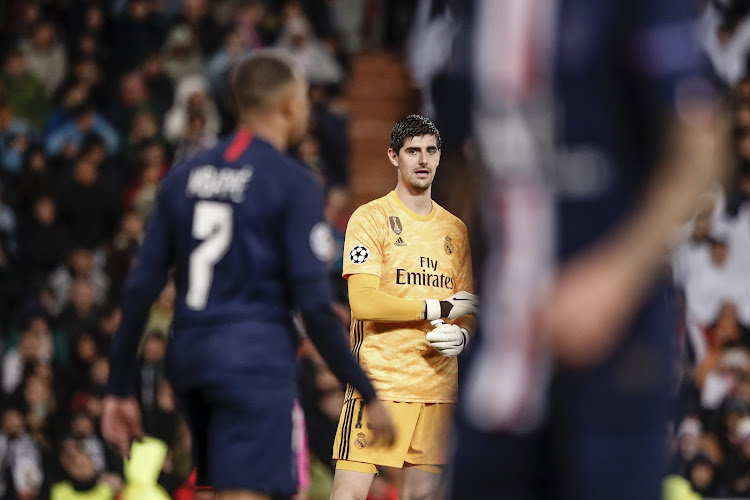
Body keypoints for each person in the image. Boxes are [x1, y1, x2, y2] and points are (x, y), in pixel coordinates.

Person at [448, 1, 728, 500]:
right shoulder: (470, 15)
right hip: (499, 349)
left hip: (615, 352)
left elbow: (698, 147)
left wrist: (615, 277)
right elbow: (456, 165)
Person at [101, 51, 396, 500]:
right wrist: (366, 391)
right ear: (289, 106)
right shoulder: (293, 181)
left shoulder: (183, 176)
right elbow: (314, 305)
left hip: (192, 361)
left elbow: (141, 288)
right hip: (252, 362)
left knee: (226, 487)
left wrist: (119, 388)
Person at [330, 114, 478, 500]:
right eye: (413, 151)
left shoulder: (455, 230)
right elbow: (362, 303)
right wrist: (434, 307)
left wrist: (464, 336)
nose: (423, 160)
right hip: (380, 385)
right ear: (394, 157)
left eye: (430, 151)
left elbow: (468, 307)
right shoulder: (371, 218)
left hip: (439, 390)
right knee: (348, 495)